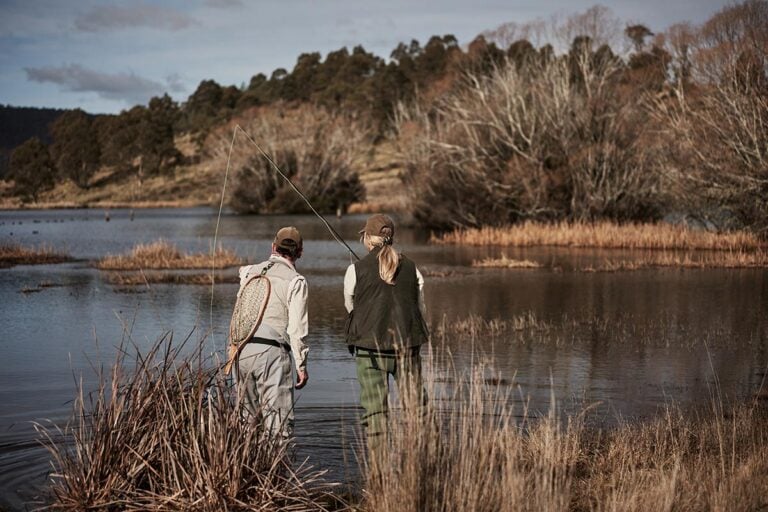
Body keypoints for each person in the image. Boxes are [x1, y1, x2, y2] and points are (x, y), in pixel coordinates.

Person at [344, 214, 429, 448]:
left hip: (369, 352)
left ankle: (379, 477)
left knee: (375, 417)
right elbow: (420, 308)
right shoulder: (412, 268)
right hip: (407, 350)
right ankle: (420, 467)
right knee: (417, 412)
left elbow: (351, 307)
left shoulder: (355, 270)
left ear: (367, 239)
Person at [236, 226, 309, 440]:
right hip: (272, 354)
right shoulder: (296, 281)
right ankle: (276, 472)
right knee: (278, 428)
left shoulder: (248, 271)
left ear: (273, 247)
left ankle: (245, 471)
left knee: (246, 427)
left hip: (241, 351)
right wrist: (301, 365)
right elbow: (297, 330)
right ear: (300, 252)